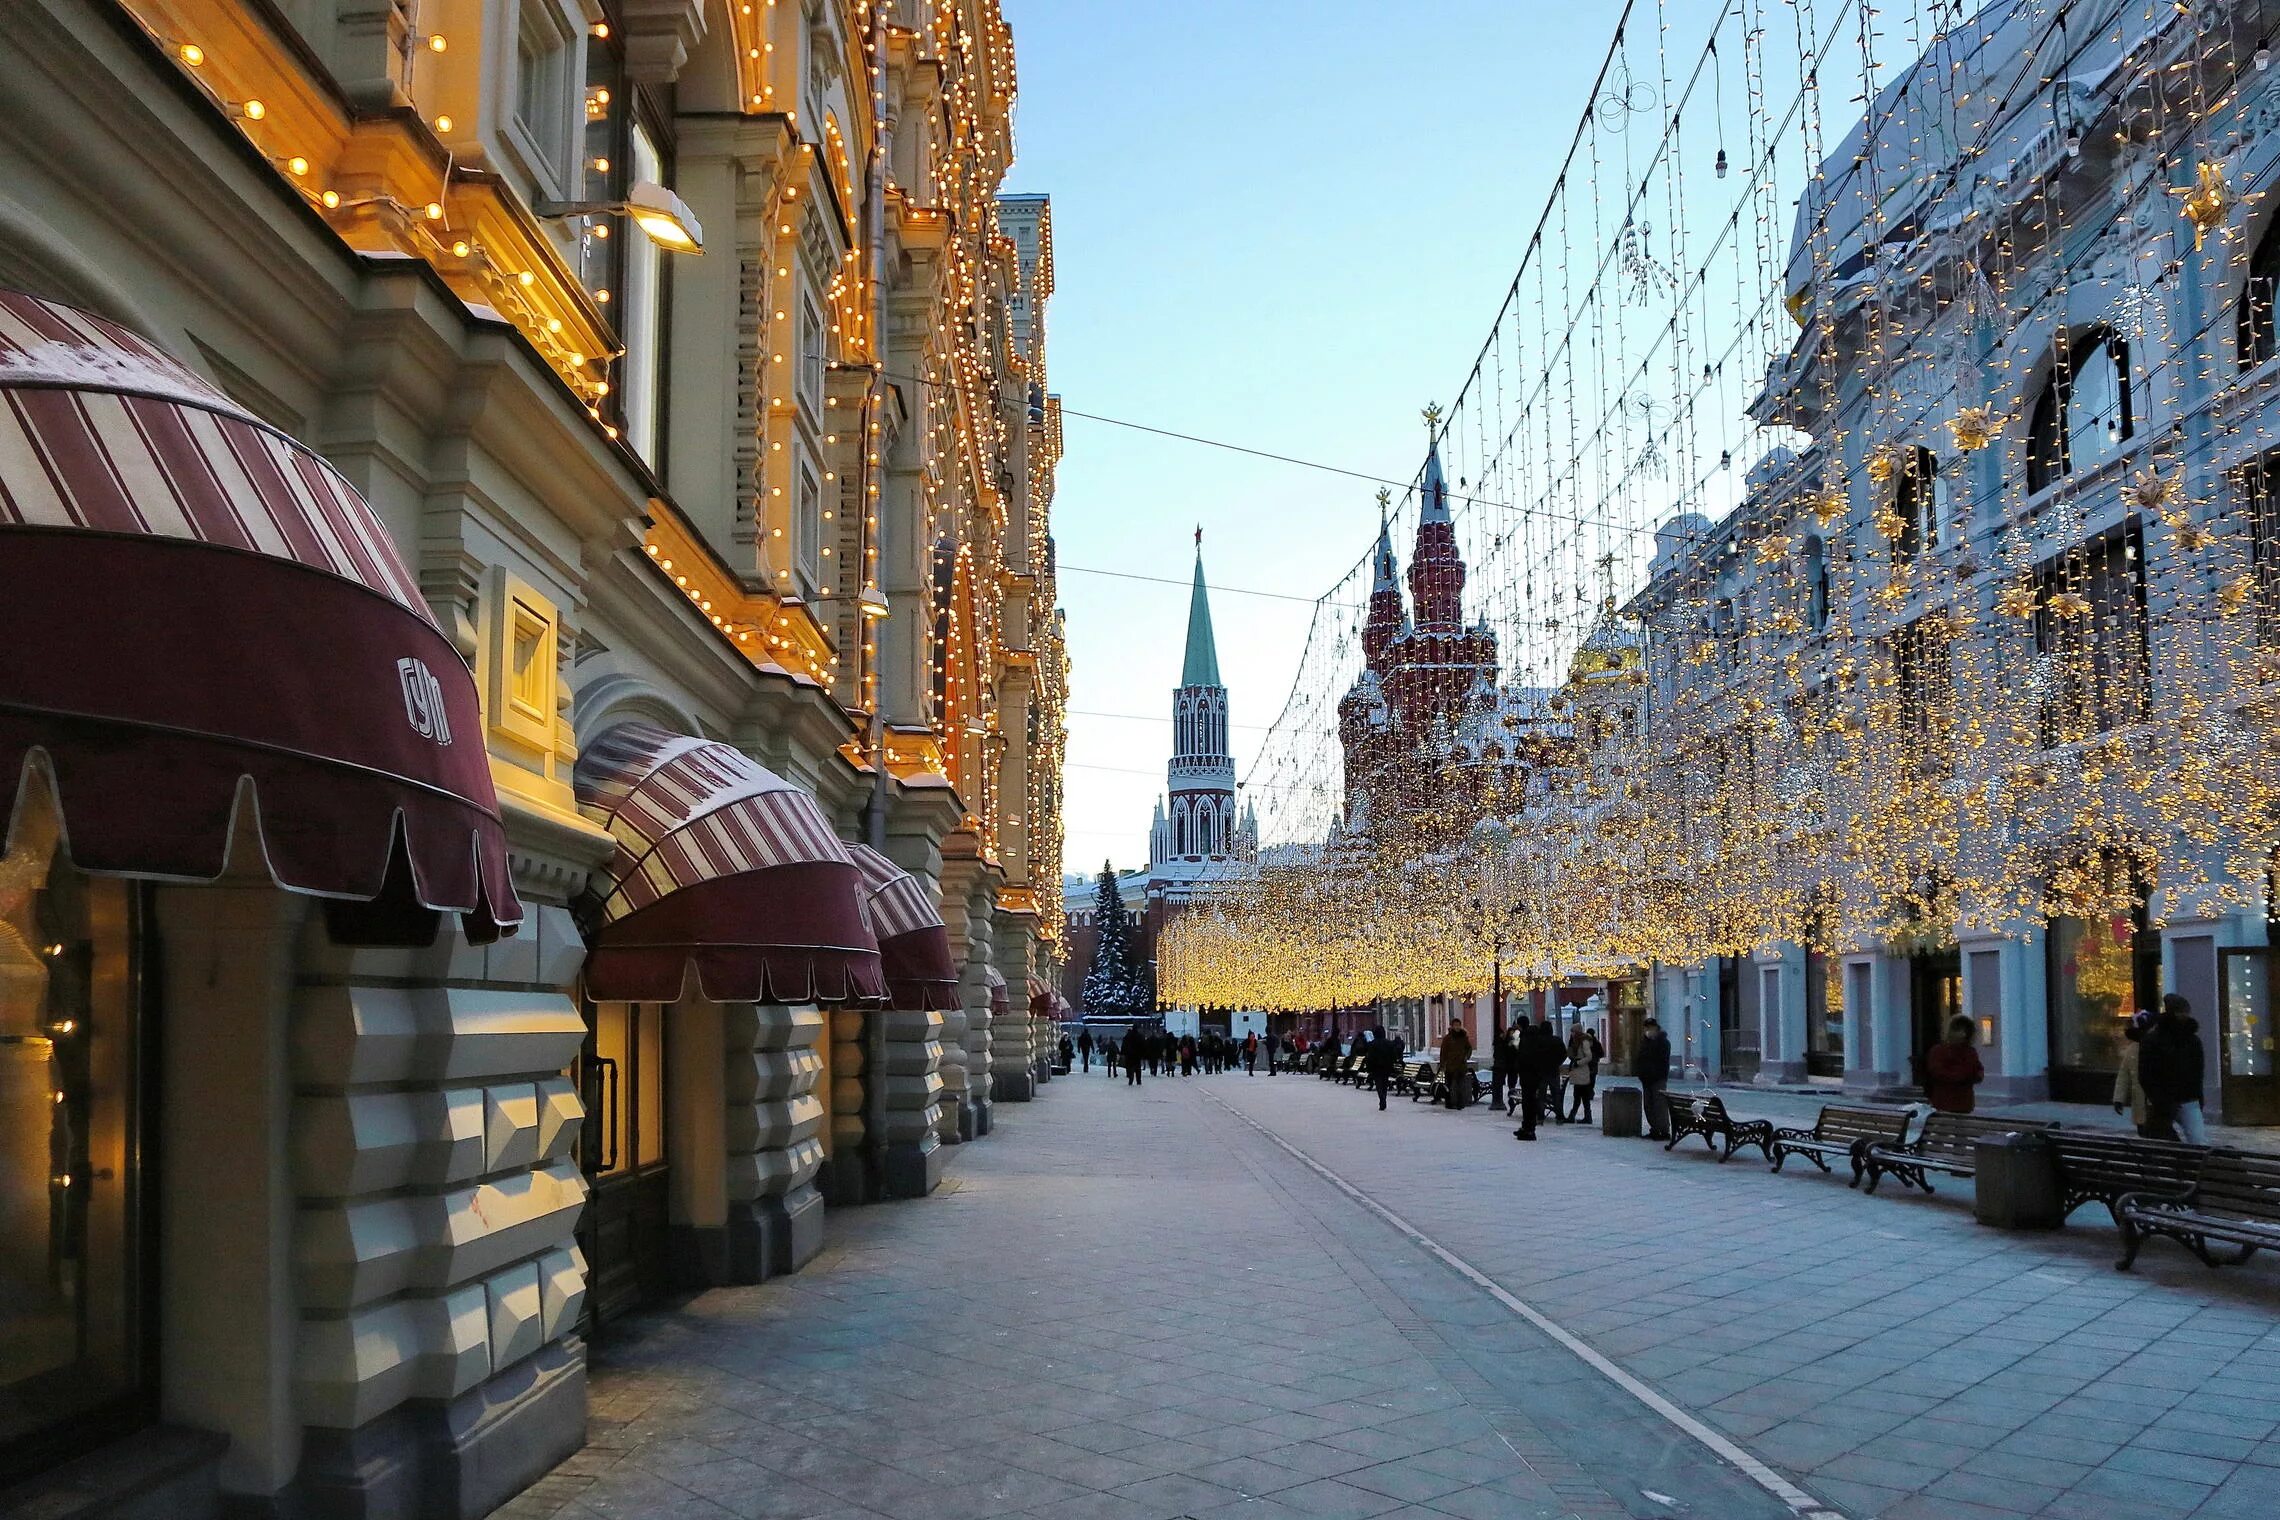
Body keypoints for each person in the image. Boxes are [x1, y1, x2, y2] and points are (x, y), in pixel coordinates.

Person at [2141, 993, 2208, 1144]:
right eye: (2181, 1011)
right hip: (2167, 1100)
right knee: (2171, 1141)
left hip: (2186, 1098)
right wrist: (2158, 1098)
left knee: (2198, 1141)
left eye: (2185, 1012)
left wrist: (2198, 1096)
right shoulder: (2155, 1039)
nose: (2184, 1015)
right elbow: (2146, 1073)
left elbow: (2198, 1071)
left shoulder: (2191, 1040)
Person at [1923, 1015, 1984, 1114]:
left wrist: (1972, 1075)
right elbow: (1938, 1072)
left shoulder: (1970, 1051)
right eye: (1960, 1030)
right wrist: (1963, 1075)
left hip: (1965, 1103)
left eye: (1966, 1031)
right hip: (1944, 1102)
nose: (1963, 1035)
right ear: (1952, 1031)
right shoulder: (1939, 1051)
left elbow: (1978, 1072)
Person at [1511, 1016, 1555, 1139]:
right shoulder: (1536, 1039)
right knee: (1530, 1102)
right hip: (1535, 1075)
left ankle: (1529, 1129)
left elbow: (1516, 1050)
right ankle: (1527, 1127)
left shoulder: (1526, 1039)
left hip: (1528, 1075)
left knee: (1528, 1103)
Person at [2113, 1010, 2153, 1136]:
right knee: (2144, 1130)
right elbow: (2124, 1075)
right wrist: (2119, 1098)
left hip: (2156, 1103)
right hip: (2141, 1103)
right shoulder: (2132, 1050)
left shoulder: (2158, 1047)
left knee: (2158, 1130)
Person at [1637, 1016, 1672, 1141]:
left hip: (1658, 1078)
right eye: (1646, 1028)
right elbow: (1641, 1058)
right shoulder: (1645, 1042)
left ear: (1656, 1028)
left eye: (1650, 1028)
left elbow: (1660, 1060)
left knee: (1659, 1105)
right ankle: (1654, 1129)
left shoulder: (1662, 1042)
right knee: (1648, 1105)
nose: (1648, 1030)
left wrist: (1652, 1041)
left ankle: (1663, 1130)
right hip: (1646, 1079)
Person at [1564, 1024, 1604, 1123]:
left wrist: (1578, 1063)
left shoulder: (1584, 1042)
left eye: (1573, 1031)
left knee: (1581, 1095)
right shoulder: (1574, 1042)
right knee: (1578, 1095)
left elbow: (1588, 1056)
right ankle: (1580, 1116)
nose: (1572, 1034)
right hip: (1577, 1071)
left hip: (1582, 1071)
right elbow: (1570, 1054)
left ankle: (1578, 1116)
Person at [1365, 1024, 1402, 1111]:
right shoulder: (1388, 1043)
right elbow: (1393, 1055)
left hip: (1376, 1067)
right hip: (1386, 1067)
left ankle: (1381, 1098)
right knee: (1385, 1083)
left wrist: (1369, 1067)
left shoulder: (1372, 1044)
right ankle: (1383, 1097)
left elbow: (1369, 1057)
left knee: (1378, 1084)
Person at [1439, 1021, 1473, 1110]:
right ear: (1452, 1026)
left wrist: (1466, 1056)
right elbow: (1443, 1052)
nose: (1457, 1027)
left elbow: (1469, 1048)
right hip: (1450, 1065)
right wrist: (1443, 1064)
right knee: (1449, 1085)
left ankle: (1460, 1103)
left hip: (1461, 1065)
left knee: (1460, 1085)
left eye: (1459, 1025)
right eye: (1455, 1025)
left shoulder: (1463, 1037)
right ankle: (1449, 1102)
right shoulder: (1447, 1038)